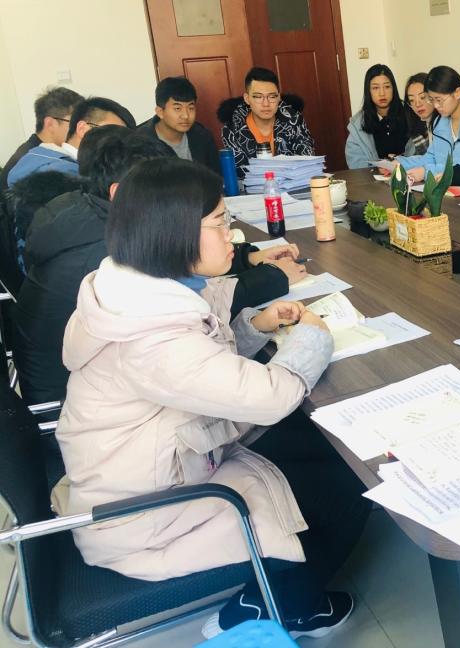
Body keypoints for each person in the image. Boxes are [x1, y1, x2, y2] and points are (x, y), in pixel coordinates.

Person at [50, 158, 369, 640]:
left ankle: (274, 595)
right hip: (146, 514)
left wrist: (251, 326)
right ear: (174, 232)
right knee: (346, 476)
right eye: (220, 222)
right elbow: (270, 396)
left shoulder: (136, 290)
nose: (231, 236)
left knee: (316, 441)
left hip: (158, 468)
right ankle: (288, 606)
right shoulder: (150, 336)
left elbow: (198, 369)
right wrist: (313, 336)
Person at [13, 128, 304, 406]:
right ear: (121, 192)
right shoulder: (107, 256)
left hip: (118, 397)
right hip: (80, 408)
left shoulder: (90, 218)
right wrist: (274, 279)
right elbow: (195, 304)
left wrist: (247, 258)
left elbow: (181, 260)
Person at [7, 96, 135, 185]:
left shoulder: (35, 157)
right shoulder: (68, 175)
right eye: (112, 131)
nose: (119, 142)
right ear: (82, 129)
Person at [219, 67, 315, 179]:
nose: (266, 104)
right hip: (252, 189)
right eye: (258, 97)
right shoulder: (232, 128)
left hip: (292, 186)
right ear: (247, 98)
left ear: (279, 97)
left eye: (272, 96)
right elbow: (240, 174)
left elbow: (306, 163)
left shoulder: (294, 121)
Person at [393, 66, 460, 184]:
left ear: (457, 93)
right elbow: (430, 157)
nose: (435, 105)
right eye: (431, 100)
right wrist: (400, 163)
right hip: (441, 187)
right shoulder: (439, 122)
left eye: (439, 100)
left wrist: (426, 172)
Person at [1, 86, 83, 190]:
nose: (80, 129)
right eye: (75, 122)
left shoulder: (40, 152)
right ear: (50, 124)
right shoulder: (34, 161)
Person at [138, 76, 220, 173]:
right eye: (177, 108)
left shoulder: (203, 136)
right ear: (160, 112)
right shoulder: (140, 143)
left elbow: (216, 176)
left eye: (191, 108)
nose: (186, 116)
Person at [345, 64, 409, 169]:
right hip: (373, 177)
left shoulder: (409, 114)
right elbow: (355, 162)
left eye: (387, 87)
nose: (382, 93)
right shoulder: (359, 123)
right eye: (375, 88)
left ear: (393, 88)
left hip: (410, 174)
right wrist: (378, 169)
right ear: (368, 91)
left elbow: (421, 153)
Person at [403, 72, 433, 156]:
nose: (417, 104)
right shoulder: (417, 134)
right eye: (412, 100)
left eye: (422, 97)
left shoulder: (445, 125)